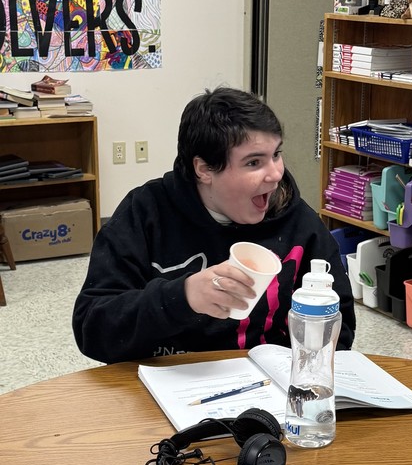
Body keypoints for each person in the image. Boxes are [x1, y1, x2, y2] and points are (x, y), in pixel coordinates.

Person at [72, 87, 355, 363]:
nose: (276, 174)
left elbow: (339, 329)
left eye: (276, 155)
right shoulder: (146, 213)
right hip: (165, 386)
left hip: (266, 390)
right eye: (254, 162)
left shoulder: (299, 223)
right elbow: (93, 330)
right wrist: (181, 298)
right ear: (204, 169)